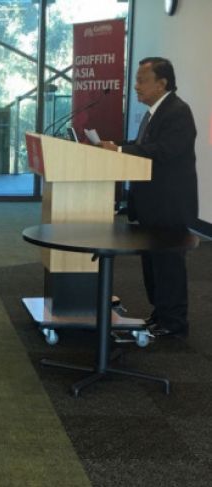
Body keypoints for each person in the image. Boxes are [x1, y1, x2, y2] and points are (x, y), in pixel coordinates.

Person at [100, 57, 197, 338]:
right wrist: (116, 146)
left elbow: (163, 150)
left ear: (162, 83)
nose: (136, 86)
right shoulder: (154, 111)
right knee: (153, 261)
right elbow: (144, 147)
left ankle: (174, 322)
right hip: (151, 202)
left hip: (169, 203)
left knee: (168, 262)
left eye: (142, 80)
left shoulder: (177, 111)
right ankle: (160, 313)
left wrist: (119, 151)